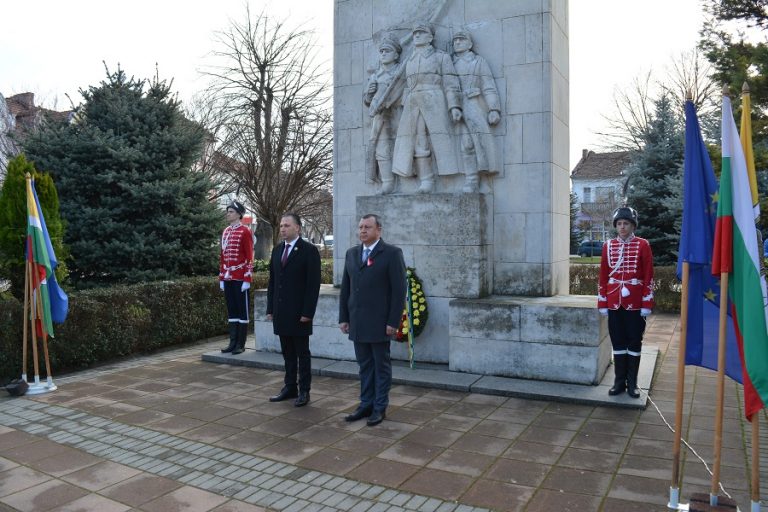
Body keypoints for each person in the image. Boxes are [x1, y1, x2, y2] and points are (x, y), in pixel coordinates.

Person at [339, 214, 406, 426]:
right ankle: (365, 404)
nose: (362, 231)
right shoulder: (352, 254)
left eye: (367, 227)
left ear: (379, 230)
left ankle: (379, 407)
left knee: (381, 366)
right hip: (358, 321)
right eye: (360, 227)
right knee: (364, 366)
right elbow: (346, 289)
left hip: (380, 322)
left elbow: (398, 290)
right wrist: (344, 317)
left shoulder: (392, 254)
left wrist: (393, 322)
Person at [392, 21, 462, 193]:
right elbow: (403, 85)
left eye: (421, 33)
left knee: (436, 141)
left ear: (430, 37)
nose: (416, 35)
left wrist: (454, 106)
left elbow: (451, 82)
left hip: (434, 100)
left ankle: (441, 176)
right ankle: (427, 180)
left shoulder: (441, 57)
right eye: (415, 32)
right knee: (418, 141)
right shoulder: (409, 60)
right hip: (413, 103)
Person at [598, 206, 654, 398]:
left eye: (626, 223)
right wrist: (602, 302)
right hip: (614, 301)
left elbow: (648, 276)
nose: (622, 227)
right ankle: (619, 382)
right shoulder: (608, 246)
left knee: (634, 341)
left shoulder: (643, 245)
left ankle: (633, 384)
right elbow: (603, 276)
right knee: (617, 341)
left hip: (635, 302)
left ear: (632, 226)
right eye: (619, 223)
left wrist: (647, 302)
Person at [266, 213, 321, 407]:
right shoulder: (277, 250)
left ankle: (304, 390)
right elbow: (273, 282)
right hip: (282, 312)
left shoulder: (309, 251)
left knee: (302, 353)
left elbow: (313, 285)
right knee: (287, 352)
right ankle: (290, 387)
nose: (282, 229)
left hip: (299, 314)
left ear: (297, 228)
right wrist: (270, 308)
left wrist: (308, 312)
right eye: (281, 225)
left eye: (287, 225)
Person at [451, 28, 501, 192]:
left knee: (478, 143)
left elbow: (488, 86)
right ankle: (471, 178)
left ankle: (476, 178)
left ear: (470, 44)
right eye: (455, 40)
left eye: (461, 39)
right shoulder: (450, 62)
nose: (457, 42)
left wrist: (494, 108)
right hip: (454, 106)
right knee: (465, 144)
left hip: (473, 104)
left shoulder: (478, 62)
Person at [364, 36, 405, 195]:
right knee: (382, 150)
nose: (383, 54)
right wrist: (369, 93)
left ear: (396, 55)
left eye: (387, 51)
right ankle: (387, 182)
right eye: (381, 51)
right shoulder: (375, 76)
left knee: (401, 146)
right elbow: (367, 100)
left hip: (398, 113)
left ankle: (405, 178)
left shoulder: (401, 72)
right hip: (380, 116)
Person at [219, 200, 254, 355]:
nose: (228, 213)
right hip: (228, 277)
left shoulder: (245, 231)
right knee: (232, 310)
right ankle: (232, 343)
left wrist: (247, 279)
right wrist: (221, 277)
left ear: (239, 214)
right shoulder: (226, 231)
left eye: (231, 211)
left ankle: (241, 344)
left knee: (242, 311)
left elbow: (249, 256)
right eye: (228, 211)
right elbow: (222, 256)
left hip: (240, 277)